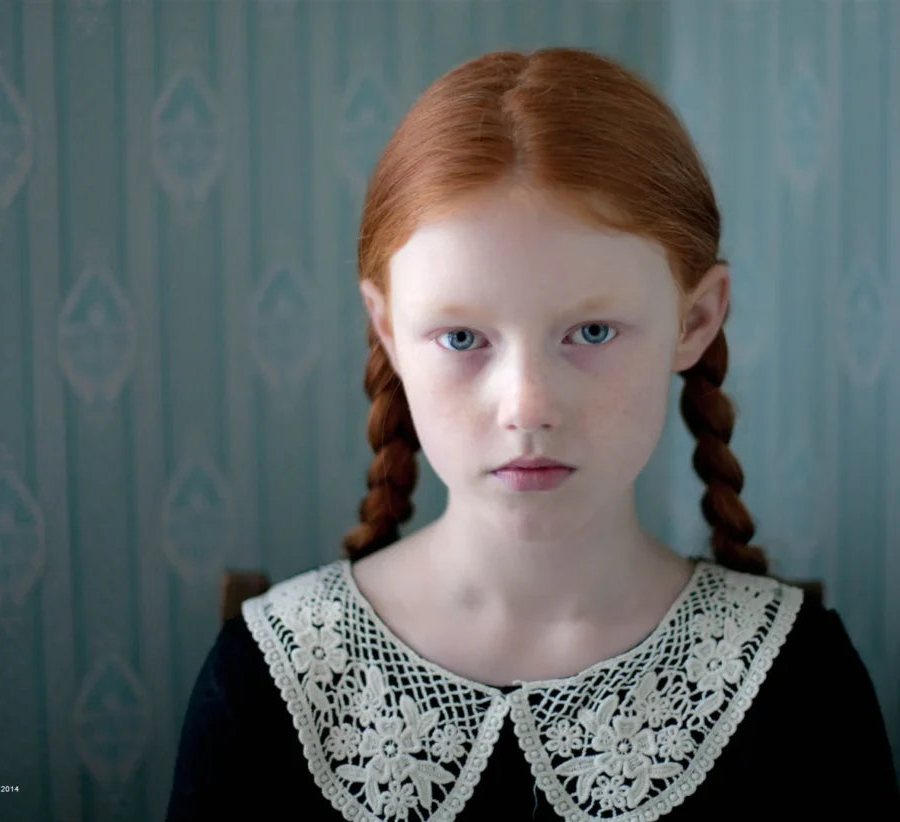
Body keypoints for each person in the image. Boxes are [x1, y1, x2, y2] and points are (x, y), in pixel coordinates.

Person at [165, 47, 899, 821]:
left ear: (695, 320)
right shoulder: (270, 677)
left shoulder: (798, 679)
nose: (527, 407)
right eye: (460, 338)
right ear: (386, 329)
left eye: (590, 330)